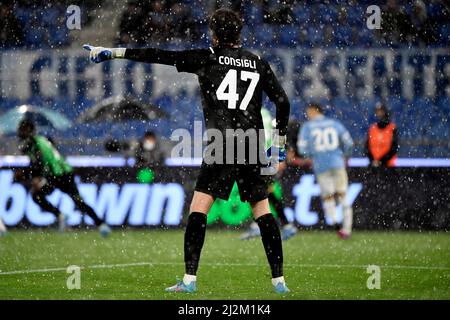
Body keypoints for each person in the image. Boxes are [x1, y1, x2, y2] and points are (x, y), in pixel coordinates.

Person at [84, 8, 291, 294]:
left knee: (199, 209)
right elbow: (282, 101)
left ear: (214, 34)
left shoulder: (206, 57)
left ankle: (190, 280)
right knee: (263, 211)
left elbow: (157, 55)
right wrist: (279, 145)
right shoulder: (257, 62)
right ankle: (279, 283)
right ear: (239, 33)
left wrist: (111, 52)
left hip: (222, 143)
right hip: (252, 144)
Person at [16, 119, 111, 237]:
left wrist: (31, 176)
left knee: (38, 196)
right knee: (77, 201)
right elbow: (42, 160)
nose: (21, 133)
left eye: (23, 130)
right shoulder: (41, 140)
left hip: (58, 175)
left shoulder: (35, 144)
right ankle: (100, 224)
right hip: (61, 174)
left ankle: (61, 216)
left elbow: (38, 163)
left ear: (29, 131)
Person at [240, 107, 297, 241]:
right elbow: (277, 131)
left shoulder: (250, 112)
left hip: (259, 158)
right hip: (263, 158)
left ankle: (285, 225)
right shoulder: (263, 113)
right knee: (261, 192)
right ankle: (266, 224)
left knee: (263, 192)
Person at [298, 103, 354, 239]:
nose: (308, 115)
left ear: (313, 111)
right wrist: (345, 155)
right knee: (343, 195)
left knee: (327, 197)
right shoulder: (334, 124)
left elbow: (302, 149)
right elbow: (349, 143)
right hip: (337, 163)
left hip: (321, 166)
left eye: (309, 112)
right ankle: (347, 229)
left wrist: (314, 153)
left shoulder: (307, 127)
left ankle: (336, 224)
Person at [365, 103, 399, 168]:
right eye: (377, 112)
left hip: (389, 166)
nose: (379, 114)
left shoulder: (392, 128)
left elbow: (394, 148)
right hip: (374, 166)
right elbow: (367, 148)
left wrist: (381, 161)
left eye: (381, 111)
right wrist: (373, 160)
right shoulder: (372, 129)